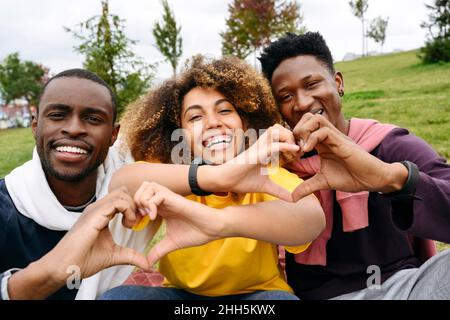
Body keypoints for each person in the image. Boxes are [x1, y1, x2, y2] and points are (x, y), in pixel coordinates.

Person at [100, 55, 325, 300]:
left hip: (257, 296)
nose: (213, 122)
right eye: (195, 117)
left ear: (245, 121)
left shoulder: (264, 171)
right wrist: (217, 177)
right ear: (179, 135)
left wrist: (219, 222)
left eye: (225, 110)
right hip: (181, 296)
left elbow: (312, 219)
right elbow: (121, 182)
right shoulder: (172, 172)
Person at [258, 32, 450, 300]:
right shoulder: (275, 168)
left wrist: (390, 178)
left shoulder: (388, 144)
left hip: (405, 289)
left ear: (338, 82)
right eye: (286, 96)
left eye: (311, 84)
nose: (301, 102)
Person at [0, 69, 158, 300]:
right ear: (35, 126)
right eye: (57, 115)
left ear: (113, 135)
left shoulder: (131, 183)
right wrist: (53, 270)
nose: (74, 129)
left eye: (93, 119)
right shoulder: (8, 205)